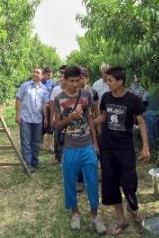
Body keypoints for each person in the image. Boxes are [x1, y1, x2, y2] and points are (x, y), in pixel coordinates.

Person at [94, 66, 150, 236]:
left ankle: (133, 207)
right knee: (110, 184)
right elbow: (105, 115)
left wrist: (146, 147)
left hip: (125, 148)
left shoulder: (133, 100)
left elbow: (140, 122)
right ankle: (121, 220)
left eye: (110, 80)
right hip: (108, 148)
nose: (107, 83)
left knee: (129, 183)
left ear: (120, 82)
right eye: (106, 79)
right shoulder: (106, 97)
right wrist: (91, 122)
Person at [54, 65, 106, 234]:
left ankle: (95, 216)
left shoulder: (86, 95)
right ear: (65, 80)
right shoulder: (59, 99)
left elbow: (90, 117)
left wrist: (95, 142)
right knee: (70, 182)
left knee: (92, 181)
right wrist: (71, 117)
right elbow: (57, 125)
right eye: (72, 81)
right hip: (69, 147)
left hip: (87, 146)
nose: (76, 84)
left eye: (78, 80)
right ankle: (75, 213)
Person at [15, 68, 50, 173]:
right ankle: (27, 164)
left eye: (38, 73)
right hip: (25, 117)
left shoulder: (44, 89)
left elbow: (44, 104)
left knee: (36, 141)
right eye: (34, 72)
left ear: (42, 75)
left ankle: (35, 161)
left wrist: (46, 117)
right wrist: (18, 115)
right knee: (26, 141)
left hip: (38, 119)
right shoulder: (25, 85)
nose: (35, 74)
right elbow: (18, 100)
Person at [76, 66, 100, 192]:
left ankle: (94, 175)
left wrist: (98, 126)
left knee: (93, 150)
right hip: (77, 127)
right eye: (78, 78)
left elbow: (96, 109)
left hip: (91, 125)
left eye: (82, 78)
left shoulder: (92, 92)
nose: (80, 81)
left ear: (87, 78)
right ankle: (79, 180)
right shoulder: (73, 92)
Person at [50, 65, 67, 164]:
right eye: (61, 76)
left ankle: (65, 156)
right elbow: (52, 103)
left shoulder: (72, 88)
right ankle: (57, 156)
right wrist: (52, 117)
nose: (61, 78)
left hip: (68, 116)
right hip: (57, 116)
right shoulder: (56, 89)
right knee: (57, 135)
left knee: (66, 136)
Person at [41, 67, 55, 152]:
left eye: (50, 74)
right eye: (48, 75)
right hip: (41, 106)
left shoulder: (52, 83)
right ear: (44, 74)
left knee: (50, 125)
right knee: (42, 125)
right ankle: (40, 144)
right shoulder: (40, 82)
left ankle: (49, 145)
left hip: (50, 107)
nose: (49, 76)